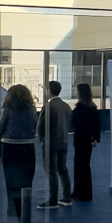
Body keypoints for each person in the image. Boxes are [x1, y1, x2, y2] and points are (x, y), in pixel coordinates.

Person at [0, 84, 37, 217]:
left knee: (11, 181)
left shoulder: (9, 109)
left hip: (10, 147)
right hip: (28, 147)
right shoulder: (31, 109)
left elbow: (2, 126)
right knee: (26, 181)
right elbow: (34, 125)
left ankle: (12, 210)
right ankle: (24, 208)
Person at [37, 80, 73, 209]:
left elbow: (41, 125)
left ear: (48, 91)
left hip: (50, 142)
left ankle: (53, 199)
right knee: (63, 169)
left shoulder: (48, 106)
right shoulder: (66, 106)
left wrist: (41, 139)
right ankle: (67, 197)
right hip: (63, 141)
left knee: (51, 171)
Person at [71, 83, 100, 201]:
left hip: (80, 140)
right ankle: (83, 192)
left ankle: (80, 192)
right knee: (85, 165)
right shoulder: (92, 108)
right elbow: (96, 125)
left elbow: (76, 125)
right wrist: (94, 138)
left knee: (79, 166)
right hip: (88, 141)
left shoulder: (79, 109)